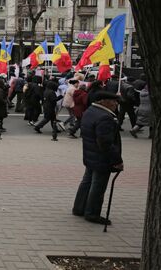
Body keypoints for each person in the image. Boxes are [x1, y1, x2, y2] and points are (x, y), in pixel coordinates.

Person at [72, 91, 123, 225]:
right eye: (114, 101)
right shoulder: (105, 117)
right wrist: (117, 160)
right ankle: (92, 213)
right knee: (98, 186)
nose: (116, 104)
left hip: (90, 154)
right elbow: (105, 142)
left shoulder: (90, 111)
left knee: (87, 182)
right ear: (104, 102)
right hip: (101, 157)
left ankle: (79, 208)